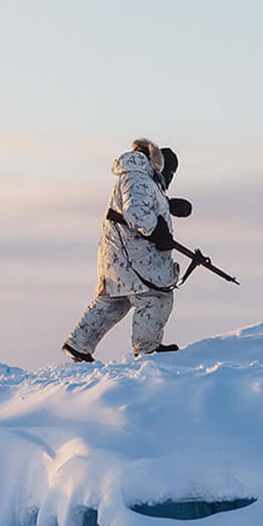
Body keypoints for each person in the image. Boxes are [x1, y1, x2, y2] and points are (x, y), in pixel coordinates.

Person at [63, 138, 188, 361]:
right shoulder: (138, 176)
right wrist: (157, 232)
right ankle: (146, 349)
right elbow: (136, 212)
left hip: (119, 255)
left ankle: (79, 345)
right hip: (134, 256)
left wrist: (167, 205)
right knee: (155, 298)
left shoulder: (136, 174)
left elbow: (139, 203)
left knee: (114, 300)